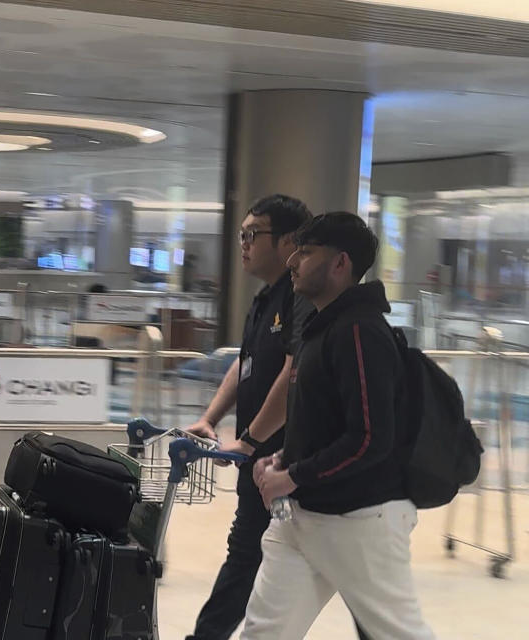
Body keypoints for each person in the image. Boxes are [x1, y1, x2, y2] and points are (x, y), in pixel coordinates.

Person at [243, 212, 434, 639]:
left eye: (306, 253)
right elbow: (324, 423)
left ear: (340, 264)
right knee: (264, 631)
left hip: (360, 521)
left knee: (397, 633)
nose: (292, 262)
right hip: (302, 517)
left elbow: (369, 438)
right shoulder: (322, 327)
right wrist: (282, 457)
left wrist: (292, 475)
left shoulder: (359, 332)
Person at [185, 194, 323, 640]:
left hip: (285, 461)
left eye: (252, 235)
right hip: (258, 461)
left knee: (255, 557)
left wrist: (248, 439)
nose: (243, 243)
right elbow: (244, 364)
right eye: (241, 234)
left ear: (287, 242)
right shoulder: (266, 300)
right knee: (249, 556)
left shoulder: (301, 298)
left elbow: (294, 371)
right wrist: (211, 418)